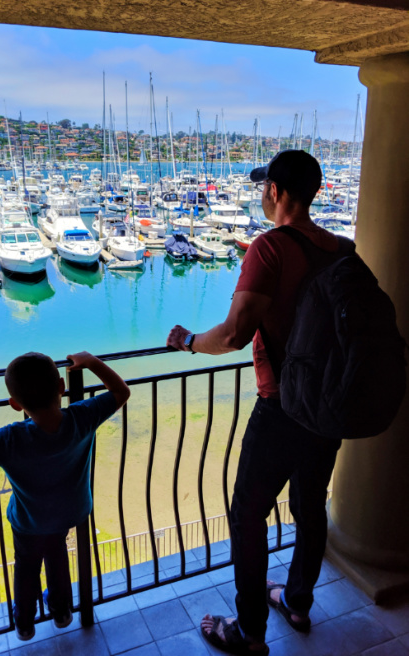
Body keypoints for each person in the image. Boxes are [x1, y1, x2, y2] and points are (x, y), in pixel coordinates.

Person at [167, 150, 342, 655]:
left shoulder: (269, 248)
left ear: (275, 192)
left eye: (264, 186)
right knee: (309, 506)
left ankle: (247, 631)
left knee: (247, 515)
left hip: (282, 408)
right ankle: (298, 602)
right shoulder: (339, 248)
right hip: (326, 406)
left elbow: (235, 334)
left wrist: (188, 340)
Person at [0, 350, 130, 641]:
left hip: (28, 522)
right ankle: (62, 611)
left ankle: (24, 623)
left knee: (26, 565)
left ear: (15, 404)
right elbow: (121, 392)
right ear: (61, 387)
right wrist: (91, 361)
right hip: (69, 512)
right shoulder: (82, 417)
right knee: (57, 555)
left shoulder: (8, 439)